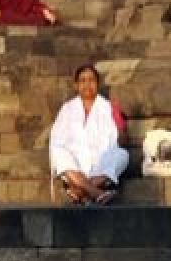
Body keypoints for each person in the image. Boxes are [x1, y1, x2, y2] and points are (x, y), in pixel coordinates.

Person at [49, 64, 129, 206]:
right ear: (76, 85)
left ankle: (79, 191)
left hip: (100, 160)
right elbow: (57, 137)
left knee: (122, 155)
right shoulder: (67, 108)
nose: (87, 84)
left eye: (91, 80)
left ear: (97, 84)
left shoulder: (109, 107)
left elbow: (121, 138)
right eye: (83, 80)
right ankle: (97, 193)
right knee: (57, 152)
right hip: (74, 163)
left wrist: (120, 131)